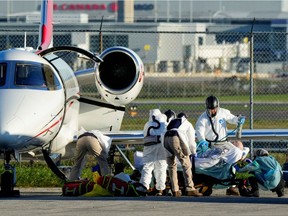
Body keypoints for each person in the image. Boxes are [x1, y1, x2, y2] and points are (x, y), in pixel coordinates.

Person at [195, 95, 245, 196]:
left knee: (239, 149)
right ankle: (210, 182)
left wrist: (238, 120)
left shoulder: (223, 112)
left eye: (215, 109)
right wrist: (203, 142)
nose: (213, 111)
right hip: (212, 146)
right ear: (207, 108)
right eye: (211, 109)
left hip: (224, 143)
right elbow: (200, 132)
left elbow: (231, 118)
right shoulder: (202, 119)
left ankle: (232, 186)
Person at [164, 112, 202, 197]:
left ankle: (175, 190)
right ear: (186, 118)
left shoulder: (172, 122)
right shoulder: (187, 124)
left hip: (166, 138)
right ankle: (190, 188)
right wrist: (194, 152)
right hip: (175, 137)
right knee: (186, 164)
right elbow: (192, 141)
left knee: (171, 165)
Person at [138, 109, 168, 196]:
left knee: (147, 167)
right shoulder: (164, 124)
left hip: (149, 147)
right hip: (161, 147)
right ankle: (160, 189)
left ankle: (144, 187)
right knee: (161, 167)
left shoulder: (148, 124)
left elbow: (145, 135)